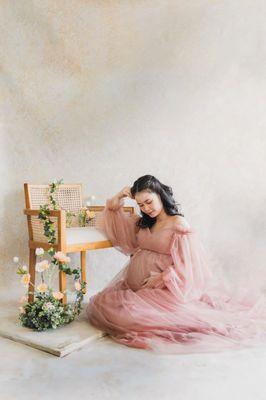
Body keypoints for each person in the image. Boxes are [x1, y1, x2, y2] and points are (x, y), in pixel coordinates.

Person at [86, 175, 266, 354]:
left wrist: (160, 278)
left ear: (159, 194)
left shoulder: (178, 224)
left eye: (149, 202)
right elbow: (112, 214)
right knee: (105, 306)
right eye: (140, 205)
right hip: (136, 289)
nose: (146, 209)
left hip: (164, 290)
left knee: (131, 317)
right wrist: (120, 195)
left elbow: (189, 264)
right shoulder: (143, 223)